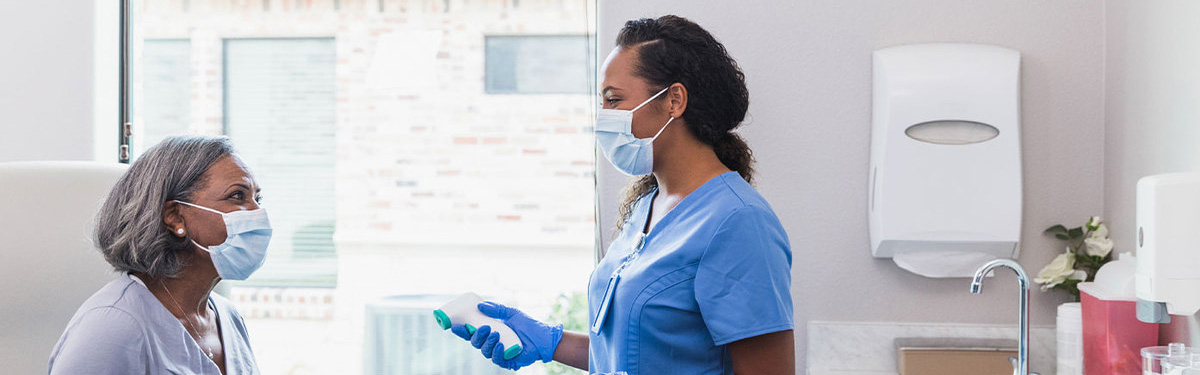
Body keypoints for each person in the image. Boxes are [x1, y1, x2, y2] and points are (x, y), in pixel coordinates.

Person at [452, 15, 795, 375]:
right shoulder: (648, 206)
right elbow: (636, 355)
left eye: (614, 100)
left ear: (674, 100)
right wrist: (548, 342)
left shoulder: (739, 222)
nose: (604, 117)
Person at [48, 136, 270, 375]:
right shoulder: (112, 326)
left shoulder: (228, 318)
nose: (258, 212)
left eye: (257, 199)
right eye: (237, 196)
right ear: (174, 217)